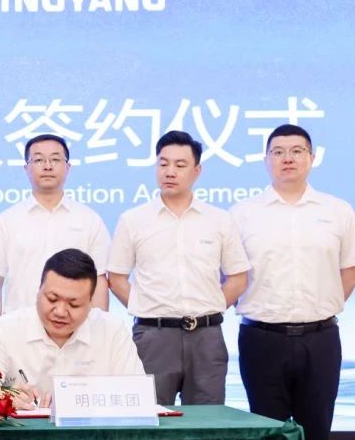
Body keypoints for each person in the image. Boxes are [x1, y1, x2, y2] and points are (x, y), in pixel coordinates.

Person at [232, 124, 355, 440]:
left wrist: (320, 306)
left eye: (296, 151)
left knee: (315, 439)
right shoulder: (243, 214)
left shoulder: (337, 211)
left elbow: (352, 270)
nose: (287, 158)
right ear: (266, 160)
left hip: (320, 339)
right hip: (262, 339)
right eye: (278, 151)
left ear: (311, 158)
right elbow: (229, 274)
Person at [107, 130, 250, 405]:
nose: (169, 172)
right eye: (163, 163)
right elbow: (116, 277)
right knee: (151, 417)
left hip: (206, 337)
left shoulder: (219, 220)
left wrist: (210, 306)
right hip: (153, 336)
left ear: (197, 171)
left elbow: (238, 277)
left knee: (208, 421)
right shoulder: (133, 220)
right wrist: (144, 306)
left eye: (180, 165)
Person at [0, 248, 144, 409]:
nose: (60, 312)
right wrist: (1, 399)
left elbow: (138, 397)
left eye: (74, 304)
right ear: (38, 292)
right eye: (52, 299)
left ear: (90, 303)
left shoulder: (112, 331)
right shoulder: (4, 330)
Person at [0, 133, 110, 322]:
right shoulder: (7, 220)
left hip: (75, 327)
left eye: (55, 159)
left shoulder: (89, 220)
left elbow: (100, 281)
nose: (48, 166)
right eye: (39, 160)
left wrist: (98, 329)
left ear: (68, 167)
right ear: (26, 168)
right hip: (19, 326)